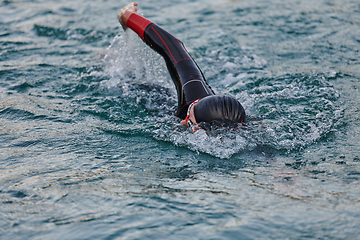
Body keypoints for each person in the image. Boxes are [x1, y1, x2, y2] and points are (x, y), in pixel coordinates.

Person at [118, 2, 245, 132]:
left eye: (190, 117)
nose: (184, 120)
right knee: (138, 86)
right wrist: (129, 17)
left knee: (128, 86)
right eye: (191, 108)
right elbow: (173, 48)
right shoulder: (196, 93)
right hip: (162, 99)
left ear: (198, 128)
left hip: (161, 111)